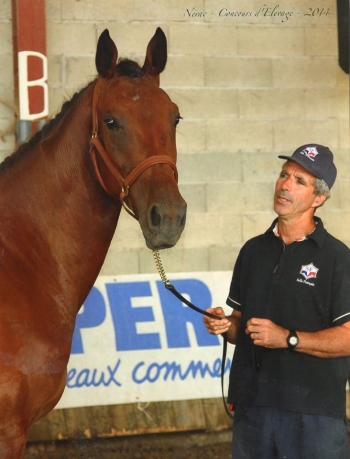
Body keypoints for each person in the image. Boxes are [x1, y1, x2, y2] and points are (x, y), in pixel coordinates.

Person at [204, 144, 350, 459]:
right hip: (253, 408)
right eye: (284, 175)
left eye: (300, 181)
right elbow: (240, 327)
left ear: (318, 198)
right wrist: (225, 324)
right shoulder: (253, 250)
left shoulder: (338, 258)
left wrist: (287, 338)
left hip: (314, 414)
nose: (285, 185)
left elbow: (348, 338)